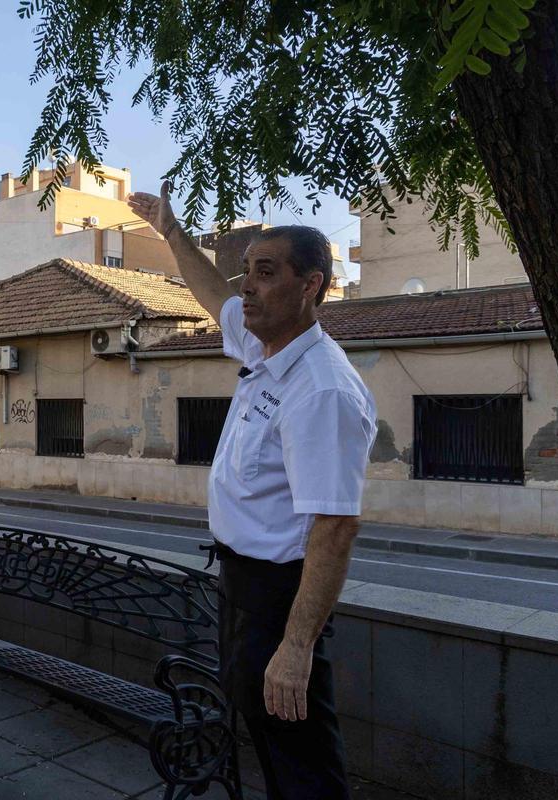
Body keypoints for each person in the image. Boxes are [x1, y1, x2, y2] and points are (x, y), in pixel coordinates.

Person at [129, 182, 377, 799]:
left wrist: (296, 647)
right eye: (248, 271)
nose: (247, 287)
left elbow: (335, 527)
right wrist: (172, 232)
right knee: (267, 741)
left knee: (303, 761)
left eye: (265, 273)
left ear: (311, 285)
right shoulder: (268, 348)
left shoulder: (321, 389)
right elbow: (216, 298)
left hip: (280, 599)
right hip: (243, 585)